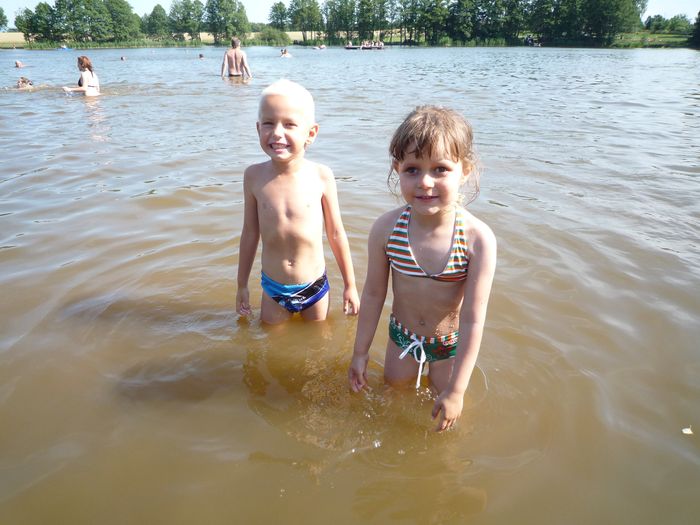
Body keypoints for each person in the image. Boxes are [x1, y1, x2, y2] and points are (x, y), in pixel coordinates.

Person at [348, 106, 497, 432]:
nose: (425, 182)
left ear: (465, 170)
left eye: (440, 169)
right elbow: (372, 295)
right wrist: (360, 353)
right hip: (402, 340)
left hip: (448, 347)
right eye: (412, 169)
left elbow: (473, 318)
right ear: (397, 169)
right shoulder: (386, 229)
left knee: (445, 423)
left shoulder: (477, 239)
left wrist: (457, 391)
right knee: (391, 408)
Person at [236, 79, 360, 324]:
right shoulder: (253, 176)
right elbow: (250, 233)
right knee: (272, 342)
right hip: (274, 287)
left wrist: (350, 285)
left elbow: (336, 233)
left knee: (318, 341)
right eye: (269, 123)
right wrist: (242, 285)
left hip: (314, 285)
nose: (277, 133)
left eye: (289, 124)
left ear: (310, 133)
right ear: (258, 128)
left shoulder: (321, 176)